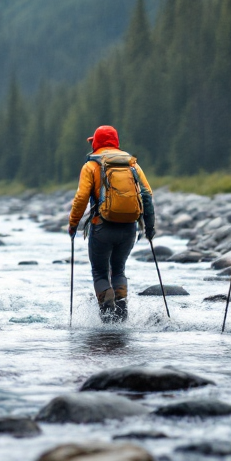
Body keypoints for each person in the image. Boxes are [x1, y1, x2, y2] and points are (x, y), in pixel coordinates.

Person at [68, 125, 155, 320]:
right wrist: (149, 228)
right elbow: (147, 195)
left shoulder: (91, 166)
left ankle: (107, 315)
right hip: (129, 228)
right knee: (118, 270)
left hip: (102, 227)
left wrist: (73, 224)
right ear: (116, 142)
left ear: (96, 143)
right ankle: (121, 316)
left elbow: (81, 198)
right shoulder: (132, 164)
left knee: (100, 273)